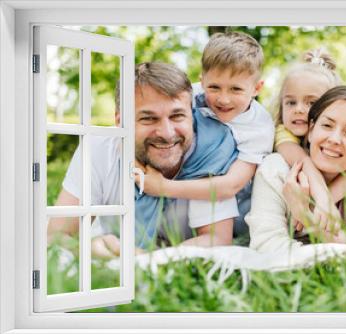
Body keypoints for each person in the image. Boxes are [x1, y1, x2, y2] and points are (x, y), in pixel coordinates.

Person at [48, 62, 242, 257]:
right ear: (120, 122)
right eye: (148, 119)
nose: (167, 133)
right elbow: (55, 236)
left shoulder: (212, 149)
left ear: (192, 117)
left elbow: (216, 239)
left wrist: (145, 260)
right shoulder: (99, 150)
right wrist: (89, 249)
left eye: (177, 116)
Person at [138, 31, 275, 236]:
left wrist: (162, 187)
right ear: (202, 81)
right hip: (183, 191)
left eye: (236, 89)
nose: (223, 99)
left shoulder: (259, 127)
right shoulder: (190, 97)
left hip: (233, 203)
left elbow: (231, 186)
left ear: (256, 88)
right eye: (214, 87)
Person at [245, 86, 346, 253]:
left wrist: (307, 218)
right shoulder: (275, 169)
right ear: (311, 130)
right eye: (327, 125)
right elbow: (266, 247)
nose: (334, 139)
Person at [272, 49, 346, 231]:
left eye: (311, 103)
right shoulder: (283, 133)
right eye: (291, 102)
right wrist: (322, 199)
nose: (299, 109)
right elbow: (304, 162)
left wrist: (324, 203)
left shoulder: (338, 139)